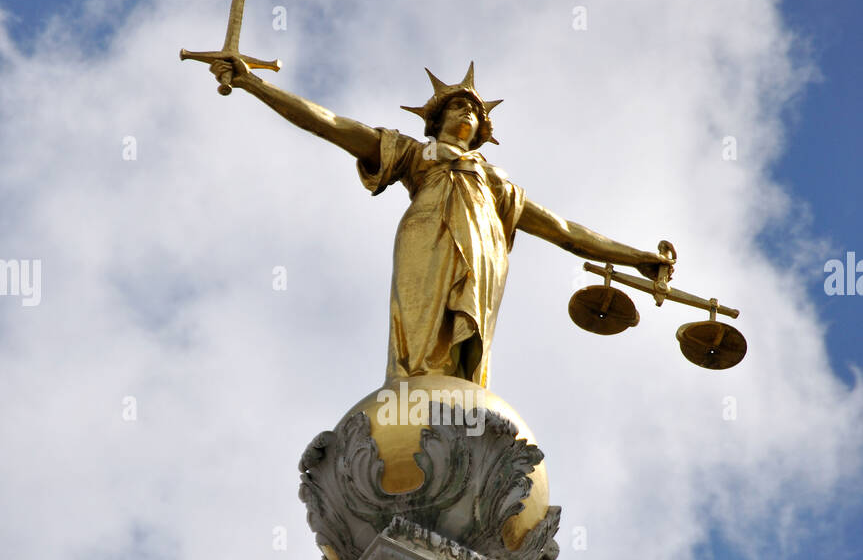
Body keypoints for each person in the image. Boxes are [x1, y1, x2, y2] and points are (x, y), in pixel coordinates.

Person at [206, 57, 668, 388]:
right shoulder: (414, 153)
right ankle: (416, 390)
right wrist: (254, 85)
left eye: (476, 111)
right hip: (427, 238)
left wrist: (640, 258)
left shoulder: (496, 182)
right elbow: (329, 124)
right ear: (437, 118)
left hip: (485, 255)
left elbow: (565, 232)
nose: (468, 112)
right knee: (421, 347)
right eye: (459, 106)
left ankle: (458, 393)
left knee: (465, 361)